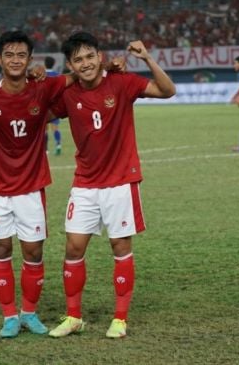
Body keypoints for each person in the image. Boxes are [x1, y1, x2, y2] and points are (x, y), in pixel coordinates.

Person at [47, 32, 176, 339]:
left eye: (90, 56)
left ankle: (120, 318)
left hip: (120, 181)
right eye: (78, 59)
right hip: (85, 183)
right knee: (73, 247)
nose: (86, 63)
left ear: (100, 56)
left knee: (120, 247)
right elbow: (39, 109)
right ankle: (74, 317)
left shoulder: (122, 82)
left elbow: (167, 90)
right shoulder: (67, 93)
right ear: (70, 65)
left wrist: (145, 57)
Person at [0, 31, 71, 339]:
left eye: (21, 55)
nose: (15, 60)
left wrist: (112, 66)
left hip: (30, 186)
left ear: (30, 60)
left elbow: (80, 76)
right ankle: (9, 316)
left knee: (33, 251)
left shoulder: (42, 88)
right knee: (1, 247)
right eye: (9, 55)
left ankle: (29, 312)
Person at [44, 56, 62, 155]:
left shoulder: (42, 75)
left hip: (44, 106)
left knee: (44, 129)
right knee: (55, 127)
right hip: (54, 106)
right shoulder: (57, 75)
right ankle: (58, 145)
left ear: (45, 63)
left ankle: (46, 149)